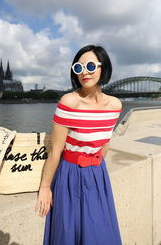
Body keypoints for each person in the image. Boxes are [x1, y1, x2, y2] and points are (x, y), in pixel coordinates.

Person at [35, 44, 122, 245]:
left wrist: (95, 168)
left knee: (99, 234)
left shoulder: (115, 105)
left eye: (90, 66)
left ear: (103, 68)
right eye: (78, 67)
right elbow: (55, 151)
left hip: (98, 174)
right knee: (69, 233)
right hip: (69, 175)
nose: (84, 72)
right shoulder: (69, 102)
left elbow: (105, 144)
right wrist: (45, 187)